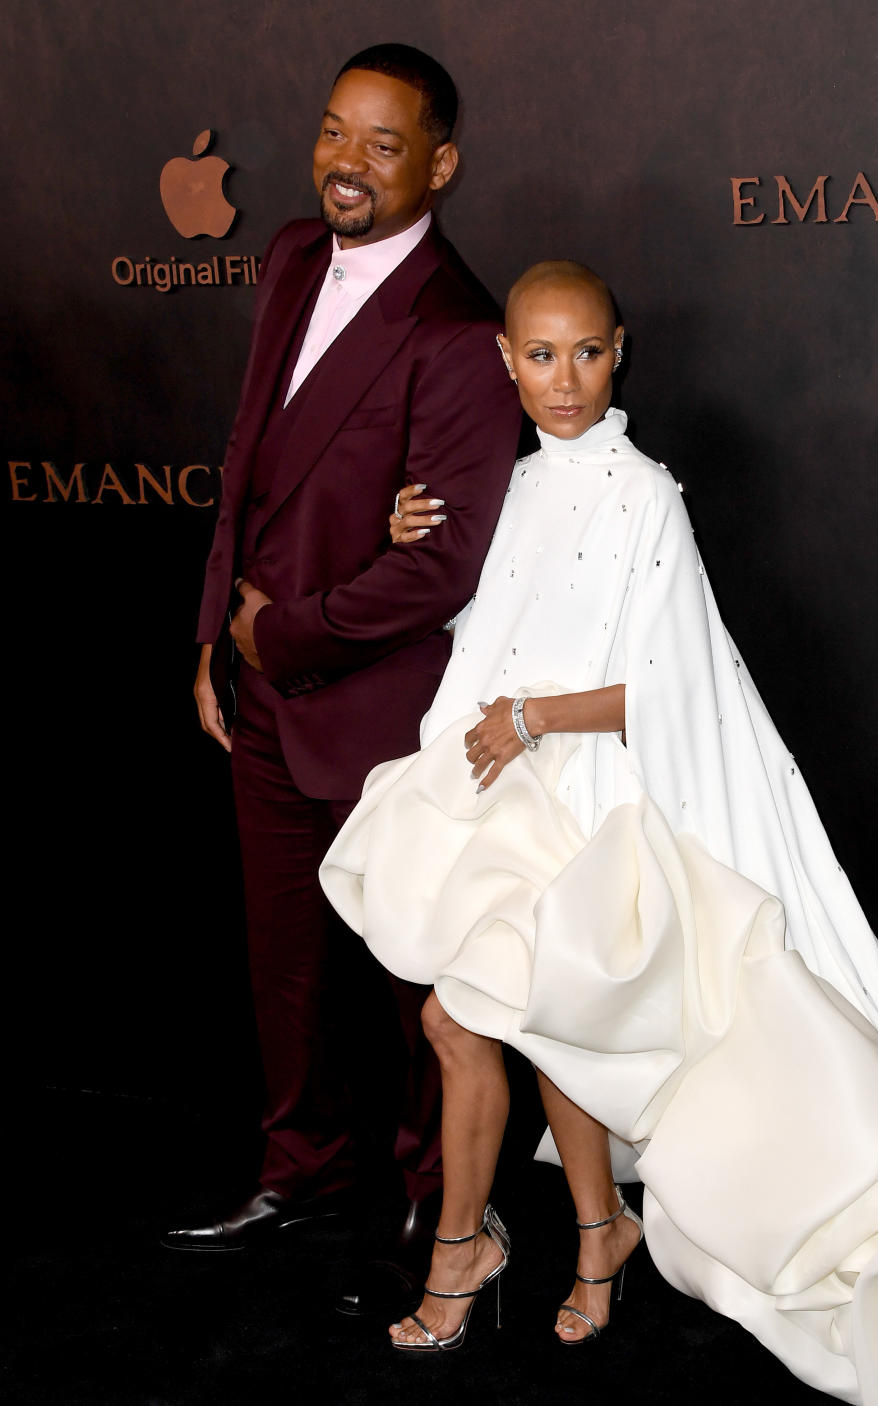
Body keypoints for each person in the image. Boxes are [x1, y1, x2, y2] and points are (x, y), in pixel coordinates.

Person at [320, 262, 878, 1397]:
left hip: (603, 812)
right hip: (510, 807)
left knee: (498, 1021)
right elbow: (491, 622)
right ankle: (589, 1231)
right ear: (507, 363)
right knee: (517, 1028)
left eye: (589, 353)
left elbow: (677, 686)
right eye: (542, 356)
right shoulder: (511, 488)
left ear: (622, 350)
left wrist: (533, 717)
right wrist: (415, 531)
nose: (566, 381)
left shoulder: (646, 493)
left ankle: (478, 1257)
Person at [165, 43, 521, 1317]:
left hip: (379, 705)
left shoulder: (460, 329)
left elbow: (450, 566)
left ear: (441, 164)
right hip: (257, 694)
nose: (347, 163)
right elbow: (247, 456)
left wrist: (285, 635)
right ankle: (302, 1168)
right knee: (285, 964)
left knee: (416, 975)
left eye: (383, 144)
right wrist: (217, 637)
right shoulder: (283, 258)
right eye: (334, 132)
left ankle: (439, 1196)